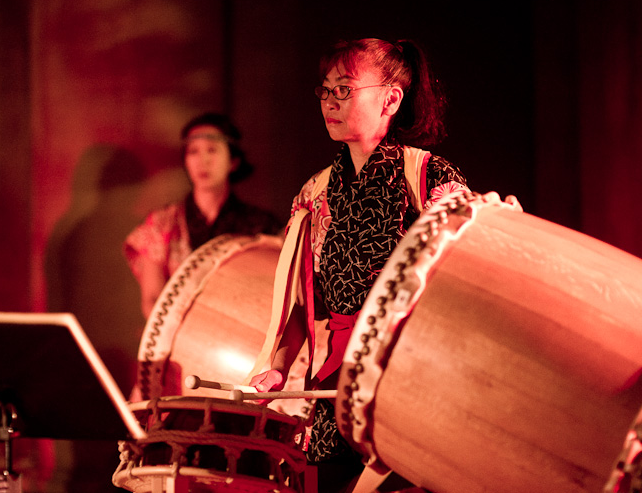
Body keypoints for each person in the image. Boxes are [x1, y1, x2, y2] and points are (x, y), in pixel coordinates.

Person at [247, 38, 470, 492]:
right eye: (326, 90)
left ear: (391, 99)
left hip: (409, 376)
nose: (330, 101)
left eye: (345, 89)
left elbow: (463, 288)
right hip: (336, 382)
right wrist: (279, 368)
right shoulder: (314, 193)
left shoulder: (429, 176)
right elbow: (300, 301)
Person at [124, 112, 282, 317]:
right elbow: (153, 299)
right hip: (178, 331)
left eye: (212, 150)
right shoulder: (162, 223)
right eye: (193, 151)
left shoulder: (262, 226)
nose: (202, 160)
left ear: (233, 161)